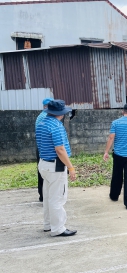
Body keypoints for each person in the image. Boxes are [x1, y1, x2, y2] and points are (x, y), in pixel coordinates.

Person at [36, 99, 77, 237]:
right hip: (55, 166)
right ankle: (58, 228)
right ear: (60, 113)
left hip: (44, 163)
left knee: (48, 196)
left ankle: (48, 224)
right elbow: (60, 149)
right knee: (58, 198)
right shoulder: (56, 126)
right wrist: (70, 167)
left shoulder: (42, 122)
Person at [35, 97, 53, 202]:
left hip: (41, 147)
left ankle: (42, 195)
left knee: (42, 172)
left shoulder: (40, 116)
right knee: (47, 172)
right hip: (46, 149)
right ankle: (45, 196)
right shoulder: (46, 117)